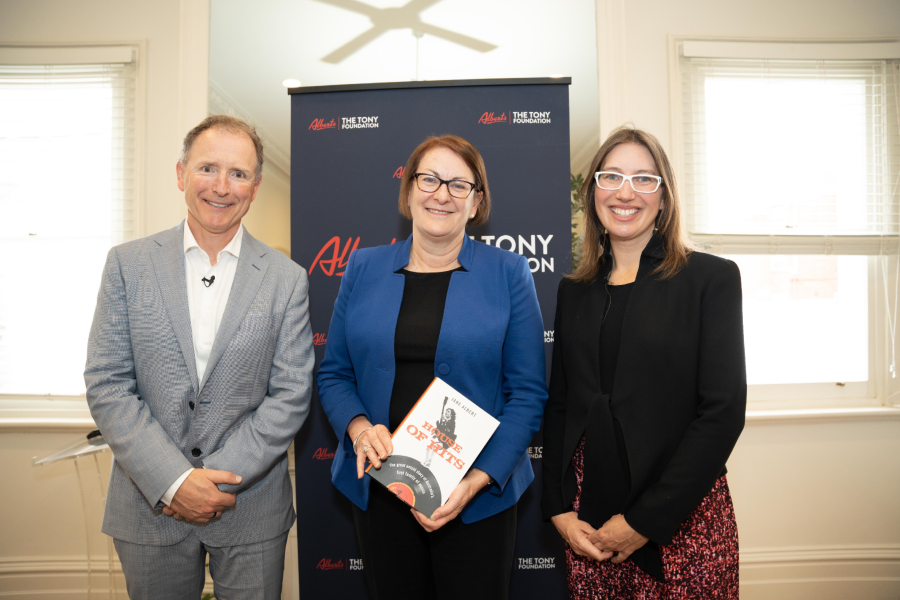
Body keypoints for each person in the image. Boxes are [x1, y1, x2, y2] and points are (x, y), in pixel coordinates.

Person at [84, 115, 314, 600]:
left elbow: (290, 393)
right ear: (181, 174)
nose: (221, 187)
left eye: (238, 174)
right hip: (150, 505)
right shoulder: (128, 264)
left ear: (254, 187)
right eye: (208, 168)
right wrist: (174, 481)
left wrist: (213, 481)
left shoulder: (287, 279)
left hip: (250, 506)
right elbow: (108, 383)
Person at [316, 134, 548, 600]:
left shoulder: (509, 272)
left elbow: (527, 394)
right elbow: (334, 374)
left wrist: (476, 480)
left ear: (476, 200)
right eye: (429, 179)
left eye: (458, 184)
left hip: (477, 496)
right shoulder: (362, 267)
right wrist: (360, 428)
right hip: (380, 488)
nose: (441, 194)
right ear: (408, 190)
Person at [542, 125, 746, 598]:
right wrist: (557, 507)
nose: (625, 192)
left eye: (644, 179)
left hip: (682, 518)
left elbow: (722, 413)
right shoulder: (573, 291)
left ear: (664, 195)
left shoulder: (709, 279)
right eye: (611, 176)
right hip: (589, 523)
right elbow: (561, 404)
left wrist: (644, 521)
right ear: (593, 191)